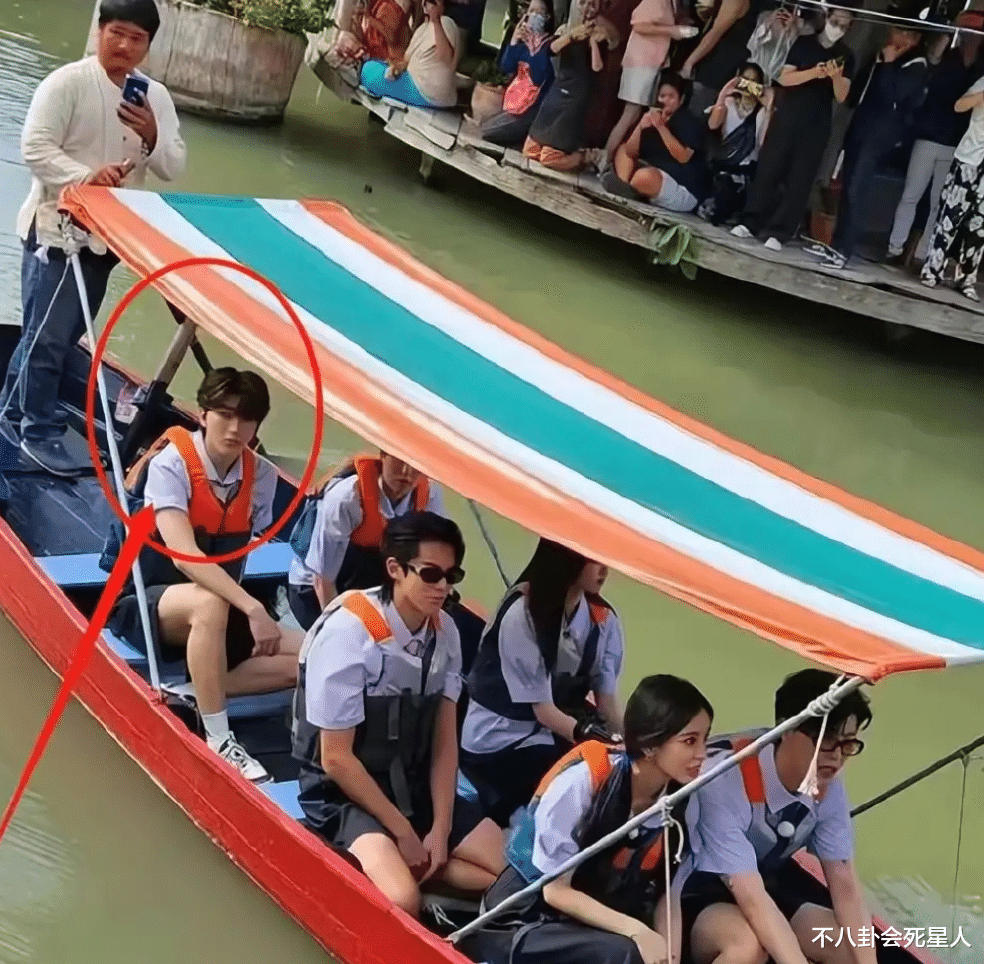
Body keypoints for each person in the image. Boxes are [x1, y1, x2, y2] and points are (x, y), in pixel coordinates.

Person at [0, 0, 186, 477]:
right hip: (58, 231)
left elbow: (172, 166)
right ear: (100, 31)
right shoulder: (67, 83)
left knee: (61, 334)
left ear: (148, 45)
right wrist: (87, 176)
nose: (124, 46)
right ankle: (35, 431)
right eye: (116, 33)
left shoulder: (155, 98)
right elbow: (35, 147)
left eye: (137, 39)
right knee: (48, 338)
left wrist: (153, 134)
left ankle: (11, 413)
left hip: (108, 241)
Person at [291, 511, 505, 918]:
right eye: (429, 574)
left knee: (509, 877)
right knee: (400, 902)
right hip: (344, 791)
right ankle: (376, 863)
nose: (442, 587)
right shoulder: (350, 634)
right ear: (395, 569)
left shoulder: (446, 633)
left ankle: (423, 870)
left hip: (411, 780)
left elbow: (444, 742)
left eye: (451, 576)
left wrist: (440, 828)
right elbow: (335, 758)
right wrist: (405, 834)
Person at [104, 369, 302, 784]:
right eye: (224, 415)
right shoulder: (171, 463)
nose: (234, 428)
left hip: (222, 609)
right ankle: (219, 738)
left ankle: (195, 692)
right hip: (151, 605)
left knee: (315, 653)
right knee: (208, 601)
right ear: (204, 414)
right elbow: (184, 556)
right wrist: (252, 607)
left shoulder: (261, 475)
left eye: (246, 419)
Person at [458, 675, 714, 964]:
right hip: (523, 922)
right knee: (626, 953)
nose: (702, 754)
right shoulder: (583, 781)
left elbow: (668, 896)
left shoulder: (679, 803)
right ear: (650, 744)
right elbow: (555, 891)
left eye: (704, 740)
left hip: (591, 925)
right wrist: (637, 931)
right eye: (690, 741)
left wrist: (671, 956)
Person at [683, 668, 876, 964]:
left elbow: (845, 888)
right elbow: (751, 897)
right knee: (748, 947)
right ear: (787, 729)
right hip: (695, 894)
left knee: (846, 944)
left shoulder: (828, 787)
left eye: (848, 744)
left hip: (765, 885)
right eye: (826, 741)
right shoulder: (723, 782)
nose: (836, 757)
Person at [460, 537, 626, 828]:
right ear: (566, 558)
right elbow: (544, 711)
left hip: (554, 731)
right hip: (499, 738)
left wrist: (630, 744)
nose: (604, 570)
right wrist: (597, 742)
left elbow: (607, 705)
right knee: (585, 783)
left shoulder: (604, 621)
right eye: (594, 560)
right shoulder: (522, 613)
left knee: (618, 775)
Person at [730, 7, 854, 253]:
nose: (838, 28)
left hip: (817, 123)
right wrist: (815, 72)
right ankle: (750, 221)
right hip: (788, 114)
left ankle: (780, 231)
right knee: (769, 167)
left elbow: (842, 96)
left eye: (844, 26)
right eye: (836, 22)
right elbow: (785, 78)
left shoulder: (846, 55)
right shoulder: (804, 43)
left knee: (800, 178)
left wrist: (835, 77)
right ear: (826, 18)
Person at [807, 26, 927, 270]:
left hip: (880, 134)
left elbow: (894, 96)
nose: (892, 35)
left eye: (900, 32)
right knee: (846, 182)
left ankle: (845, 249)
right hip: (861, 125)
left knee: (856, 188)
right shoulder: (881, 55)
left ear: (912, 38)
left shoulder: (916, 65)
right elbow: (864, 84)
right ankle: (836, 242)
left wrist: (888, 65)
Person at [287, 449, 447, 631]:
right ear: (384, 455)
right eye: (399, 461)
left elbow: (435, 560)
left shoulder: (430, 495)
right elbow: (323, 580)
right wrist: (339, 632)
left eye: (415, 466)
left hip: (369, 582)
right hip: (315, 591)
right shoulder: (346, 498)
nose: (406, 473)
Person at [886, 12, 984, 269]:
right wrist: (949, 31)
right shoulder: (947, 55)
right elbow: (933, 58)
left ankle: (922, 254)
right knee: (911, 194)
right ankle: (894, 247)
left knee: (938, 203)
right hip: (929, 135)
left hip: (957, 143)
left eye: (977, 32)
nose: (972, 36)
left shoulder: (982, 65)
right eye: (968, 31)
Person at [599, 0, 696, 170]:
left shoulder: (672, 3)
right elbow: (638, 25)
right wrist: (672, 31)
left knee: (636, 116)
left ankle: (616, 162)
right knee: (629, 115)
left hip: (651, 64)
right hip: (640, 63)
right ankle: (604, 161)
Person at [522, 10, 621, 172]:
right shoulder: (565, 32)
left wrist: (594, 43)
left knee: (549, 157)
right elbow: (551, 49)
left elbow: (597, 67)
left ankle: (587, 157)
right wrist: (572, 36)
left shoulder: (598, 41)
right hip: (557, 90)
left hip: (575, 96)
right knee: (530, 150)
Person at [602, 73, 711, 214]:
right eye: (662, 96)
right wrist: (640, 127)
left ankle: (623, 187)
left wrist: (661, 128)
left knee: (643, 178)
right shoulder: (654, 116)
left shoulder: (688, 121)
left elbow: (683, 157)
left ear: (681, 99)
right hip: (652, 171)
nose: (665, 101)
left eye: (671, 97)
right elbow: (630, 152)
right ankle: (629, 189)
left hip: (683, 186)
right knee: (623, 150)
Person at [919, 71, 984, 301]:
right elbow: (959, 106)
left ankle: (966, 280)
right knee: (950, 217)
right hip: (969, 159)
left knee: (979, 227)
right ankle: (932, 271)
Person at [698, 61, 773, 225]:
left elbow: (761, 143)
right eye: (745, 79)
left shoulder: (760, 112)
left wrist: (768, 107)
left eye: (754, 81)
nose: (749, 85)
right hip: (722, 167)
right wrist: (725, 92)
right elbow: (713, 124)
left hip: (744, 173)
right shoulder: (729, 103)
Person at [479, 0, 556, 148]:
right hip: (516, 102)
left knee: (487, 131)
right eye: (530, 11)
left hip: (534, 108)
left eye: (538, 11)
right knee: (485, 127)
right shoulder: (523, 45)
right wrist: (514, 40)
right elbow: (506, 67)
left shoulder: (549, 45)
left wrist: (535, 51)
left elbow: (539, 75)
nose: (532, 15)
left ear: (547, 16)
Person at [359, 0, 462, 109]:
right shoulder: (423, 28)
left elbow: (446, 58)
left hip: (426, 92)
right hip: (416, 81)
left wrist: (436, 21)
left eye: (433, 2)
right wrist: (394, 68)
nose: (429, 6)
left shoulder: (447, 23)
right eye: (426, 2)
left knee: (368, 71)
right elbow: (405, 61)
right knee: (375, 64)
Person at [680, 0, 769, 118]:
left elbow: (715, 33)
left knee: (696, 117)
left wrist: (689, 62)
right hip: (734, 71)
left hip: (715, 70)